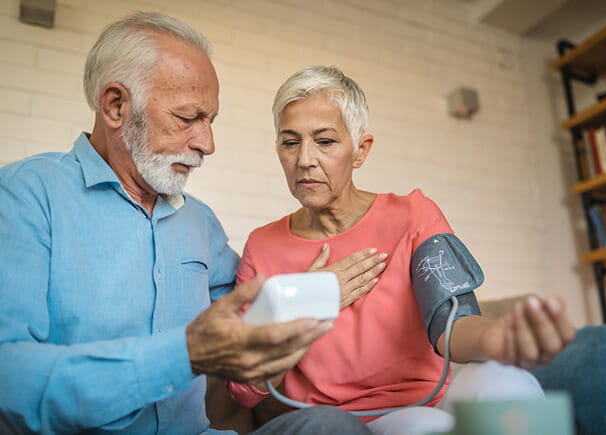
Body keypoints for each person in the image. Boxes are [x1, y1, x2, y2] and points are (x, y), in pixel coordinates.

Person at [0, 13, 380, 435]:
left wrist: (313, 293)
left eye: (210, 121)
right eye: (187, 118)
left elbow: (248, 313)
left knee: (330, 427)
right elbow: (10, 380)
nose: (207, 143)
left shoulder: (199, 222)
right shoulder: (25, 197)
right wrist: (183, 354)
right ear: (115, 105)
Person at [225, 65, 577, 434]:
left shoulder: (413, 214)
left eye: (325, 141)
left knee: (509, 382)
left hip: (431, 402)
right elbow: (241, 390)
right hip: (342, 424)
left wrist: (501, 339)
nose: (304, 160)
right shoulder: (262, 246)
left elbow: (451, 323)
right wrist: (309, 300)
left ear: (360, 151)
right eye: (290, 141)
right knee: (427, 427)